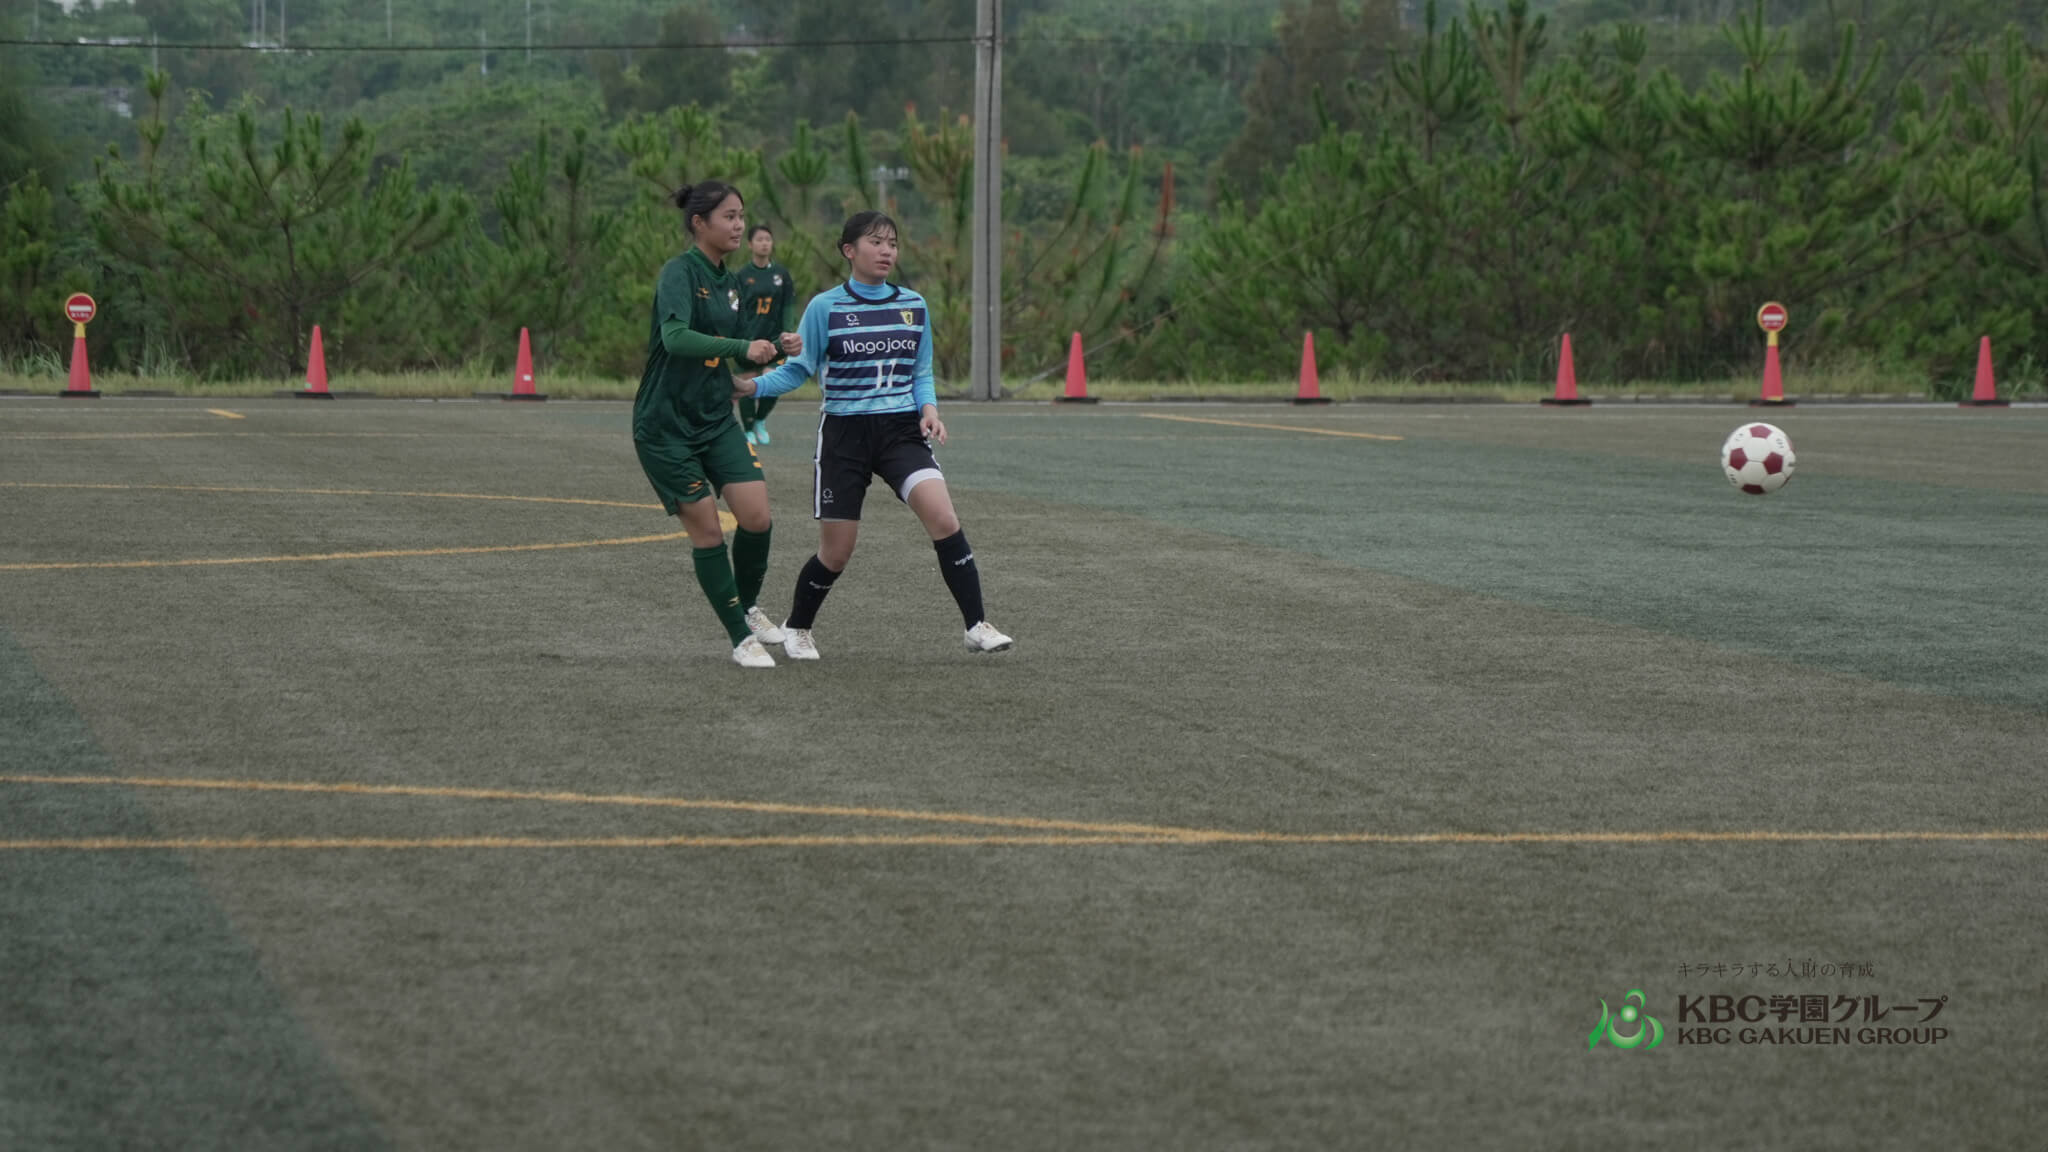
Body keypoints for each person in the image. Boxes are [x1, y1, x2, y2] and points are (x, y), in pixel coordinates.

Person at [733, 210, 1013, 659]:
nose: (887, 251)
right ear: (850, 250)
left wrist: (930, 411)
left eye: (893, 244)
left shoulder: (913, 305)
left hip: (901, 430)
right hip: (844, 435)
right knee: (836, 553)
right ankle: (798, 626)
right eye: (876, 242)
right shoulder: (825, 307)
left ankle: (976, 625)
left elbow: (921, 372)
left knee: (945, 520)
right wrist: (752, 387)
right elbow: (799, 370)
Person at [635, 180, 801, 668]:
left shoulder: (731, 283)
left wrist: (779, 345)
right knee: (708, 531)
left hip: (715, 417)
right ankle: (739, 638)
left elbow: (746, 348)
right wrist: (740, 348)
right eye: (729, 216)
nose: (739, 225)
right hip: (665, 425)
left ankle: (747, 608)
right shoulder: (679, 272)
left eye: (742, 216)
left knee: (757, 517)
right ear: (699, 223)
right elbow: (676, 337)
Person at [733, 224, 796, 446]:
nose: (764, 243)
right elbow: (734, 308)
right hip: (748, 339)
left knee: (773, 380)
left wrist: (787, 331)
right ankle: (749, 429)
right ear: (750, 244)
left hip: (774, 339)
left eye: (768, 239)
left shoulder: (781, 274)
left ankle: (760, 420)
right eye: (759, 239)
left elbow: (788, 305)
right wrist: (737, 338)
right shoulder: (741, 276)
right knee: (748, 382)